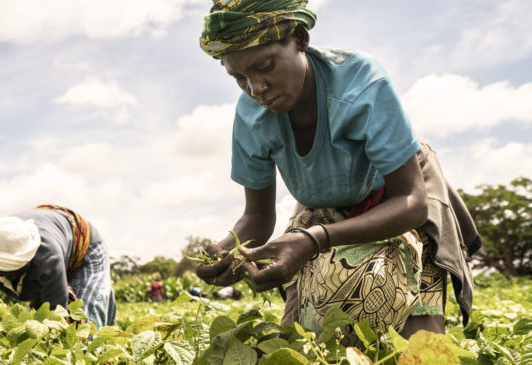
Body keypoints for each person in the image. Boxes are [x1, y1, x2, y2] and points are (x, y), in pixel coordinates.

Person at [195, 0, 480, 344]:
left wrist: (315, 239)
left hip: (399, 196)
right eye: (239, 78)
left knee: (417, 347)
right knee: (304, 341)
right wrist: (232, 251)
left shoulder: (361, 82)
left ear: (300, 38)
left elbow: (412, 200)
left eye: (265, 66)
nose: (256, 88)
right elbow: (256, 216)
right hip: (323, 204)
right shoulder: (251, 116)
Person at [0, 204, 116, 333]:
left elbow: (56, 315)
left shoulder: (46, 256)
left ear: (30, 257)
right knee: (33, 335)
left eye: (19, 268)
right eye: (6, 271)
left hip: (84, 245)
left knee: (85, 328)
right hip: (51, 244)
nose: (13, 276)